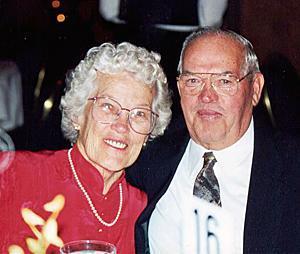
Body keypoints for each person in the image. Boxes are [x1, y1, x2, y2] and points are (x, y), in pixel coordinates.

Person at [127, 27, 300, 253]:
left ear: (255, 89)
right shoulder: (146, 154)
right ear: (179, 87)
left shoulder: (292, 169)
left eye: (225, 81)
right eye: (193, 81)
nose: (207, 96)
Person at [0, 42, 172, 253]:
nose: (121, 126)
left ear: (150, 131)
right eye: (108, 106)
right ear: (77, 115)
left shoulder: (145, 210)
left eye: (139, 114)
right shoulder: (16, 175)